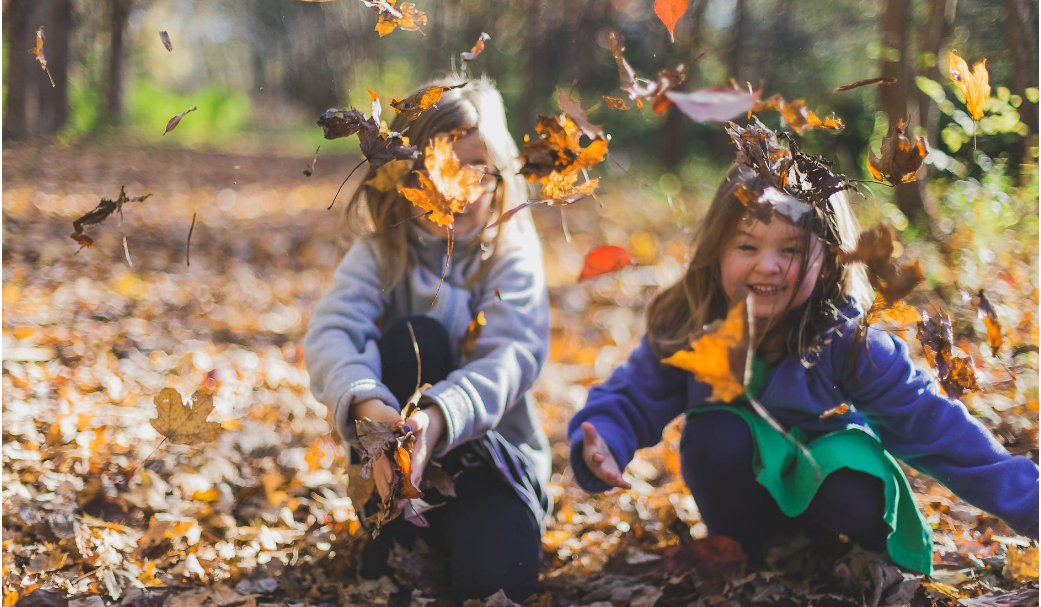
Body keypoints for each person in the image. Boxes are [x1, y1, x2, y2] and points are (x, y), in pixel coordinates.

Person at [568, 128, 1039, 575]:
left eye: (791, 250)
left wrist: (1031, 504)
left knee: (850, 485)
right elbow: (635, 393)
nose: (767, 265)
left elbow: (935, 426)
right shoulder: (694, 321)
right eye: (747, 245)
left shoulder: (849, 340)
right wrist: (606, 437)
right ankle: (743, 550)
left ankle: (839, 554)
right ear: (718, 249)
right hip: (743, 493)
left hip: (831, 487)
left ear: (830, 257)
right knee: (716, 434)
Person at [305, 76, 549, 602]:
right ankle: (393, 528)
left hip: (491, 466)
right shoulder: (381, 253)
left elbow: (511, 356)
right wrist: (369, 403)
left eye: (474, 169)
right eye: (436, 166)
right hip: (393, 471)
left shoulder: (510, 254)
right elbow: (332, 331)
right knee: (416, 337)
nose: (455, 188)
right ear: (402, 174)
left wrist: (437, 420)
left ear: (499, 174)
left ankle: (476, 534)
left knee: (498, 585)